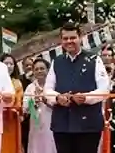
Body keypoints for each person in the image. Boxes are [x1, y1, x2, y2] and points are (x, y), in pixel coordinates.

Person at [44, 22, 110, 153]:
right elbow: (47, 89)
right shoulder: (57, 62)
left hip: (88, 124)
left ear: (81, 38)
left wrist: (86, 98)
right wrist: (57, 98)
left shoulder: (94, 59)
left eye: (73, 38)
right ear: (61, 41)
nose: (69, 41)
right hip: (62, 123)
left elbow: (104, 90)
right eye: (65, 38)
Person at [23, 58, 56, 153]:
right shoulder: (30, 88)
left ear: (48, 70)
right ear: (33, 71)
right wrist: (35, 103)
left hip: (53, 123)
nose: (39, 71)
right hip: (36, 125)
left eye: (42, 68)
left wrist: (46, 101)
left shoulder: (54, 85)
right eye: (36, 69)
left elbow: (60, 104)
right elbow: (26, 110)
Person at [0, 54, 24, 153]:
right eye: (6, 63)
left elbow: (19, 101)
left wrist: (17, 109)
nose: (9, 66)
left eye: (11, 64)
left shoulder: (17, 83)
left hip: (13, 118)